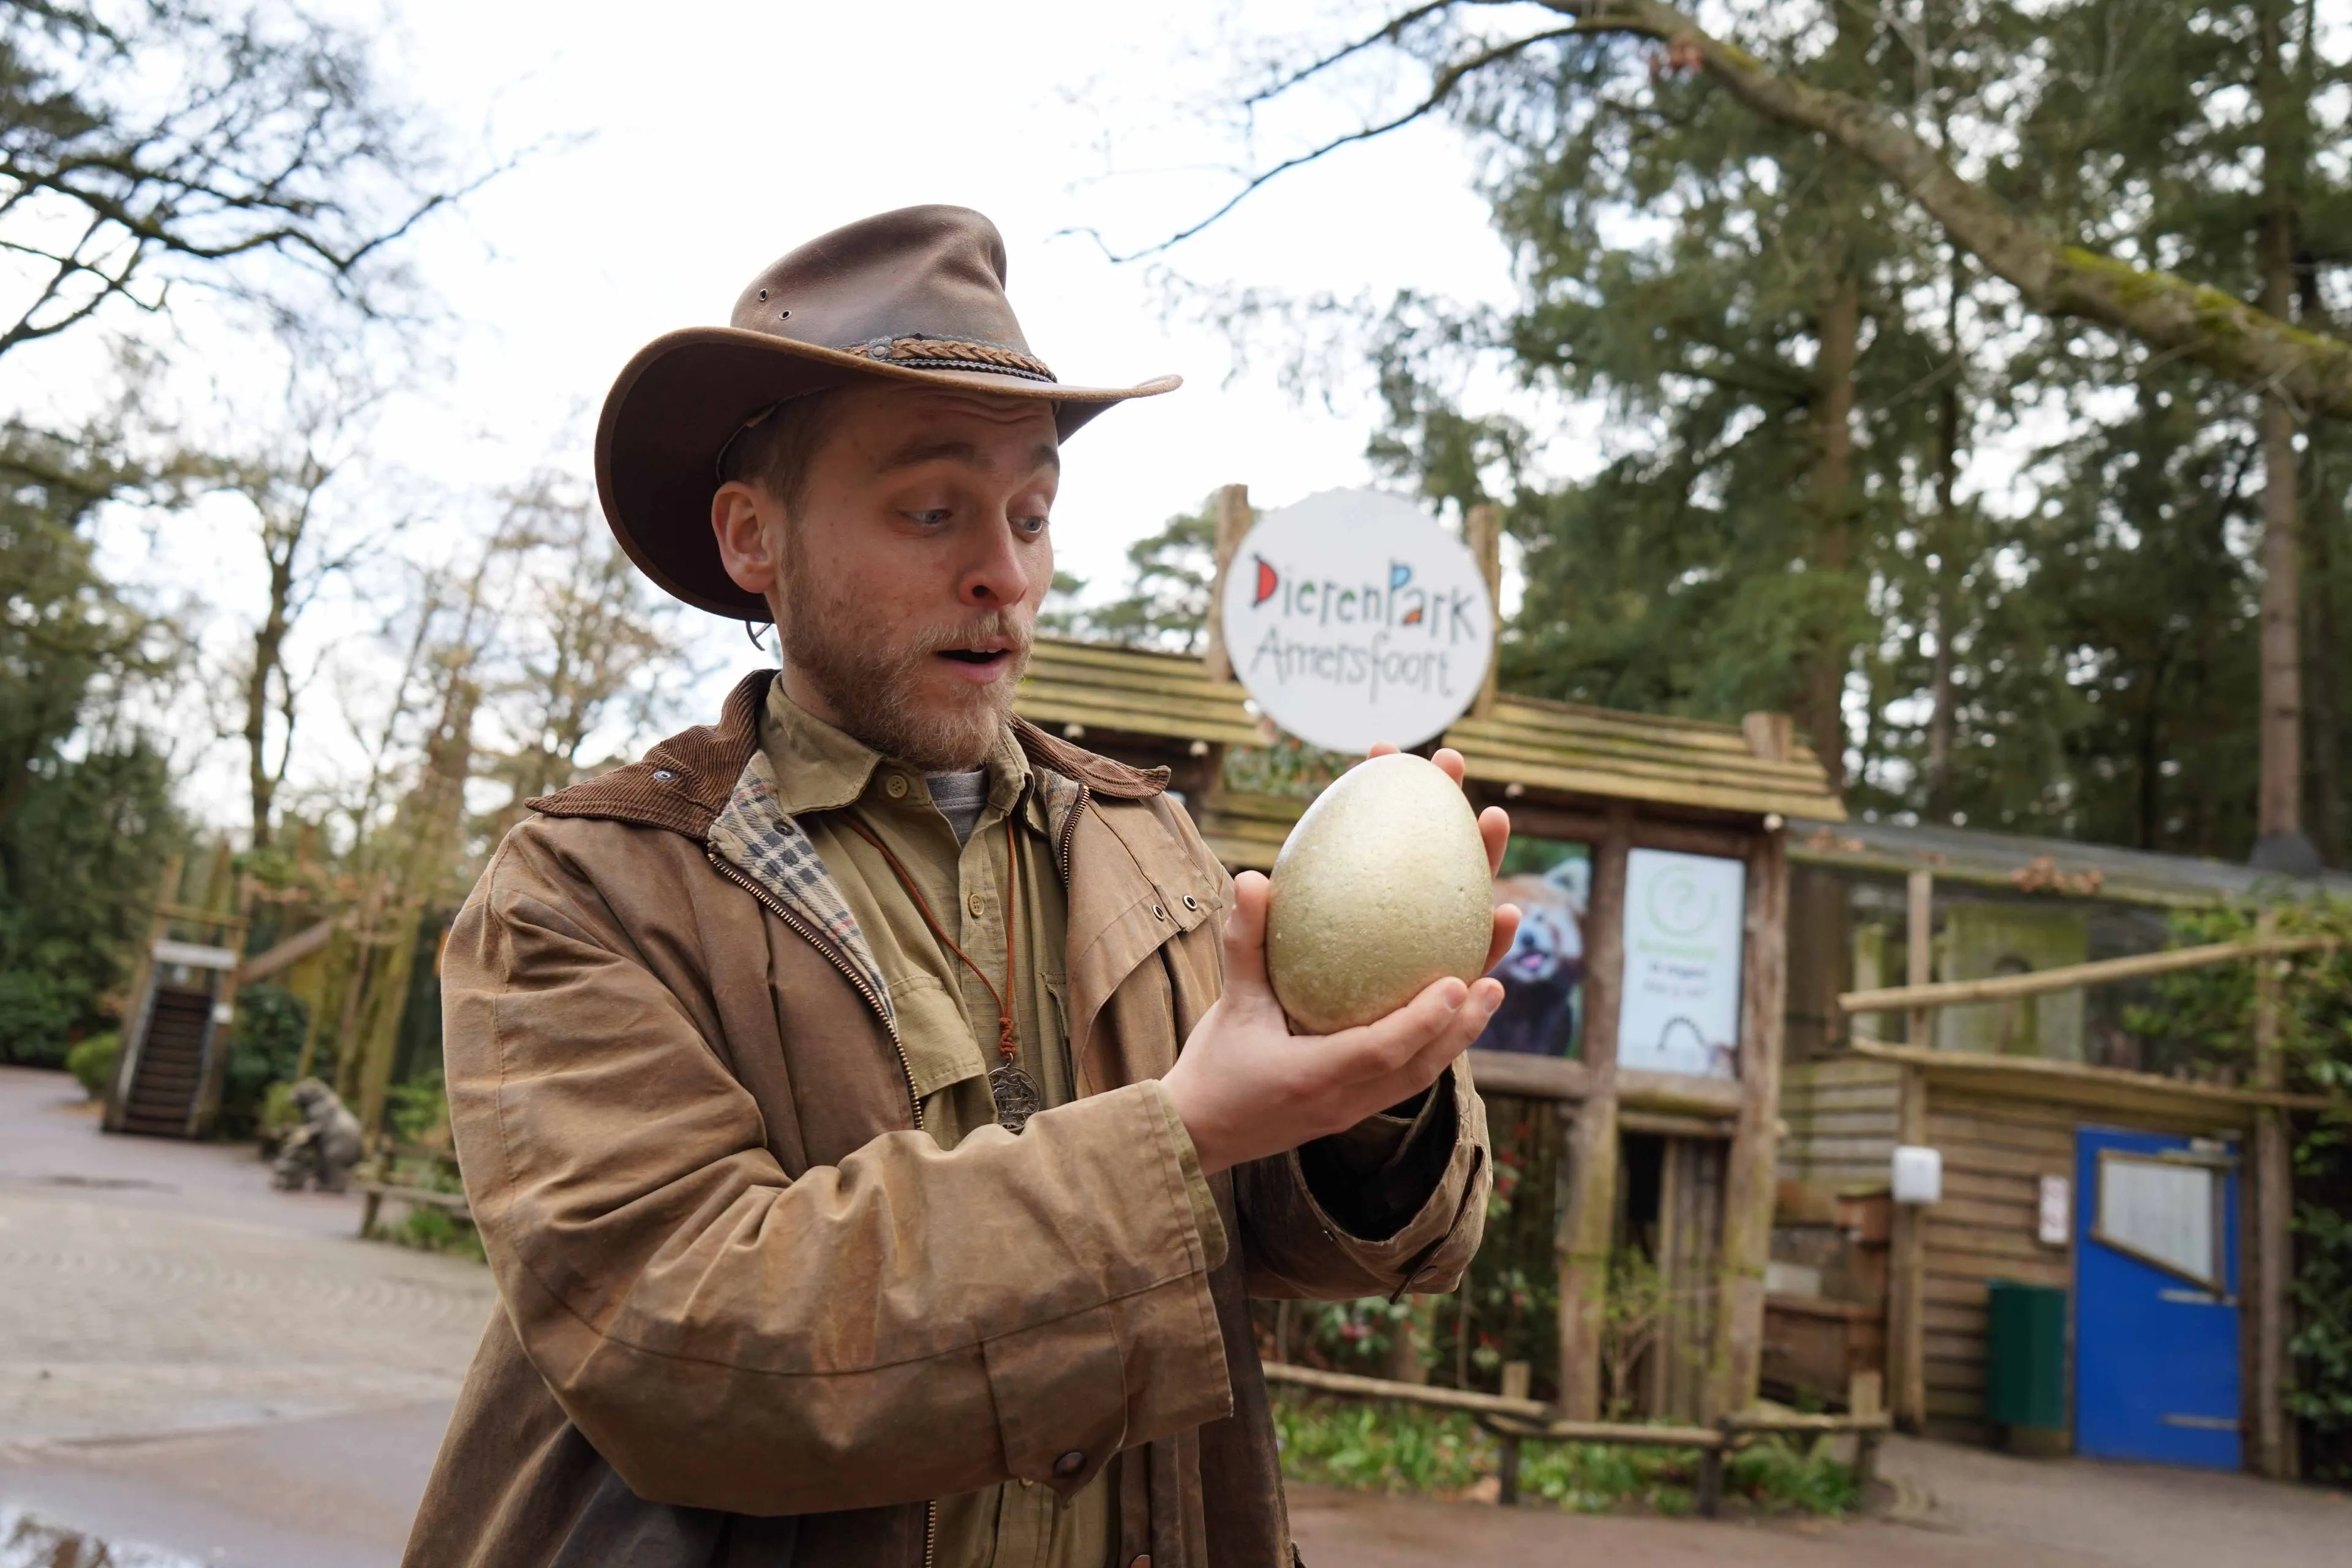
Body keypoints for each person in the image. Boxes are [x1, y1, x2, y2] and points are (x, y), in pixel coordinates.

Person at [404, 205, 1517, 1568]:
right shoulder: (589, 889)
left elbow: (1295, 1238)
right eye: (932, 511)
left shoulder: (1159, 854)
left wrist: (1375, 1085)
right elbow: (679, 1345)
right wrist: (1175, 1135)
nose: (1006, 571)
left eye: (1032, 515)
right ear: (755, 538)